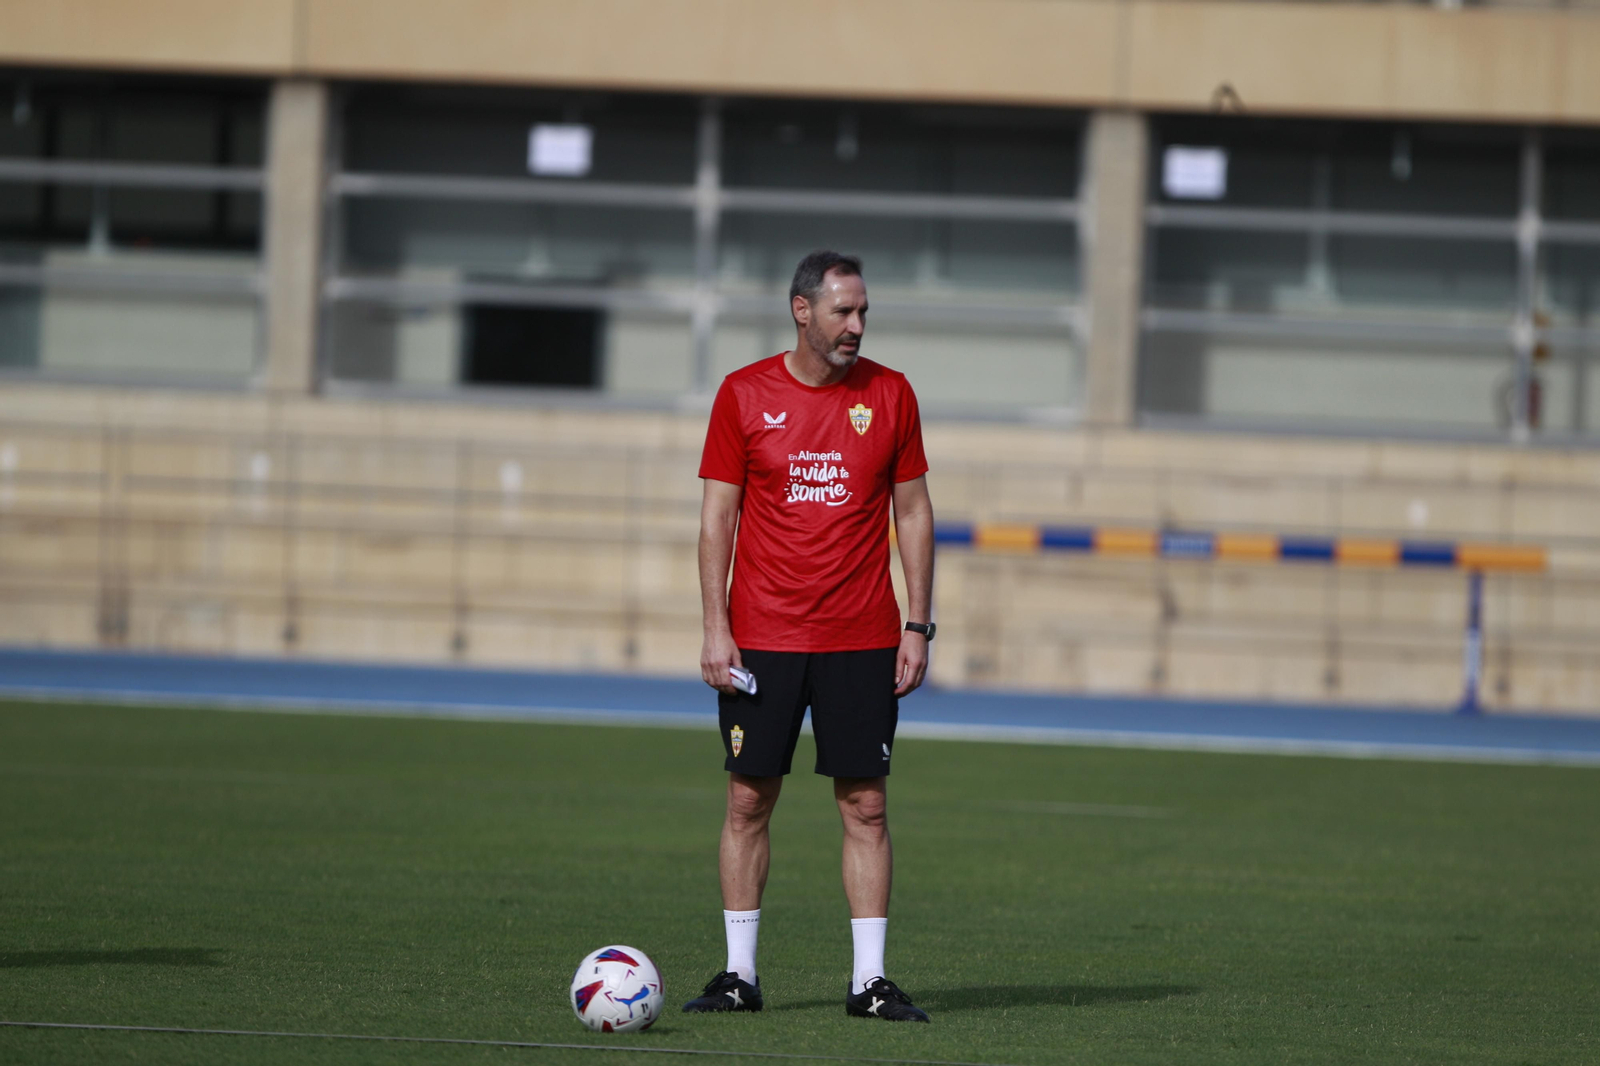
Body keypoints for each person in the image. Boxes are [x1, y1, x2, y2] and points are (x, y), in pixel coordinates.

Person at [682, 250, 936, 1023]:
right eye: (843, 312)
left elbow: (915, 513)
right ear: (803, 311)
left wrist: (918, 624)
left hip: (862, 637)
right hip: (762, 639)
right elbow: (716, 518)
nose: (857, 325)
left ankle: (869, 982)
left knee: (866, 806)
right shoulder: (742, 394)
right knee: (747, 801)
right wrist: (715, 628)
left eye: (863, 313)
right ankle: (738, 976)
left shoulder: (890, 395)